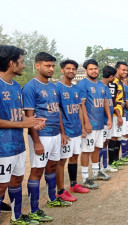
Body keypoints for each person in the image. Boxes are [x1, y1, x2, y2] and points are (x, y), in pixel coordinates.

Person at [23, 52, 72, 223]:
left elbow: (57, 111)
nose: (51, 69)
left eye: (52, 66)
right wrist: (36, 141)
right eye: (47, 65)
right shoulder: (31, 87)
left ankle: (52, 199)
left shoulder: (53, 87)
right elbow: (29, 117)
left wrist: (62, 132)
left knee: (52, 166)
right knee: (37, 170)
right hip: (41, 136)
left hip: (55, 134)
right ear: (37, 66)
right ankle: (34, 209)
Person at [0, 45, 46, 224]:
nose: (24, 65)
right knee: (2, 185)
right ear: (11, 63)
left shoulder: (16, 86)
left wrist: (34, 122)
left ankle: (16, 216)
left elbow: (18, 115)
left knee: (16, 179)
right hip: (2, 148)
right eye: (21, 62)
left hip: (18, 145)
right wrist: (23, 123)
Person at [55, 59, 89, 204]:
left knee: (74, 156)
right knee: (62, 161)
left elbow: (80, 109)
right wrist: (62, 132)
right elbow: (57, 112)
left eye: (74, 69)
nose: (71, 71)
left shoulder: (76, 89)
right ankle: (61, 191)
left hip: (76, 130)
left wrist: (82, 127)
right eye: (68, 68)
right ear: (62, 70)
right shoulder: (57, 88)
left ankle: (74, 184)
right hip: (66, 132)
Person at [77, 59, 112, 189]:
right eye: (91, 69)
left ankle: (96, 172)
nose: (94, 71)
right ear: (86, 71)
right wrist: (86, 123)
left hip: (100, 123)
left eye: (95, 68)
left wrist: (108, 118)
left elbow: (105, 103)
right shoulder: (83, 84)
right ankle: (85, 178)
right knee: (86, 150)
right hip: (90, 124)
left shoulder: (102, 86)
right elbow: (82, 105)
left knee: (97, 147)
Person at [107, 61, 127, 171]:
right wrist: (118, 116)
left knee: (118, 136)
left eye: (126, 70)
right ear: (117, 70)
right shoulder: (113, 82)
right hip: (115, 114)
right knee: (113, 137)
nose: (125, 72)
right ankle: (111, 162)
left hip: (120, 112)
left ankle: (116, 160)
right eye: (123, 70)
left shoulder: (120, 82)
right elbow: (112, 100)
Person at [99, 66, 116, 173]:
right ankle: (99, 167)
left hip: (108, 120)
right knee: (101, 143)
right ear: (111, 77)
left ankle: (105, 165)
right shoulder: (99, 86)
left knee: (106, 142)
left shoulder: (107, 86)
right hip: (102, 121)